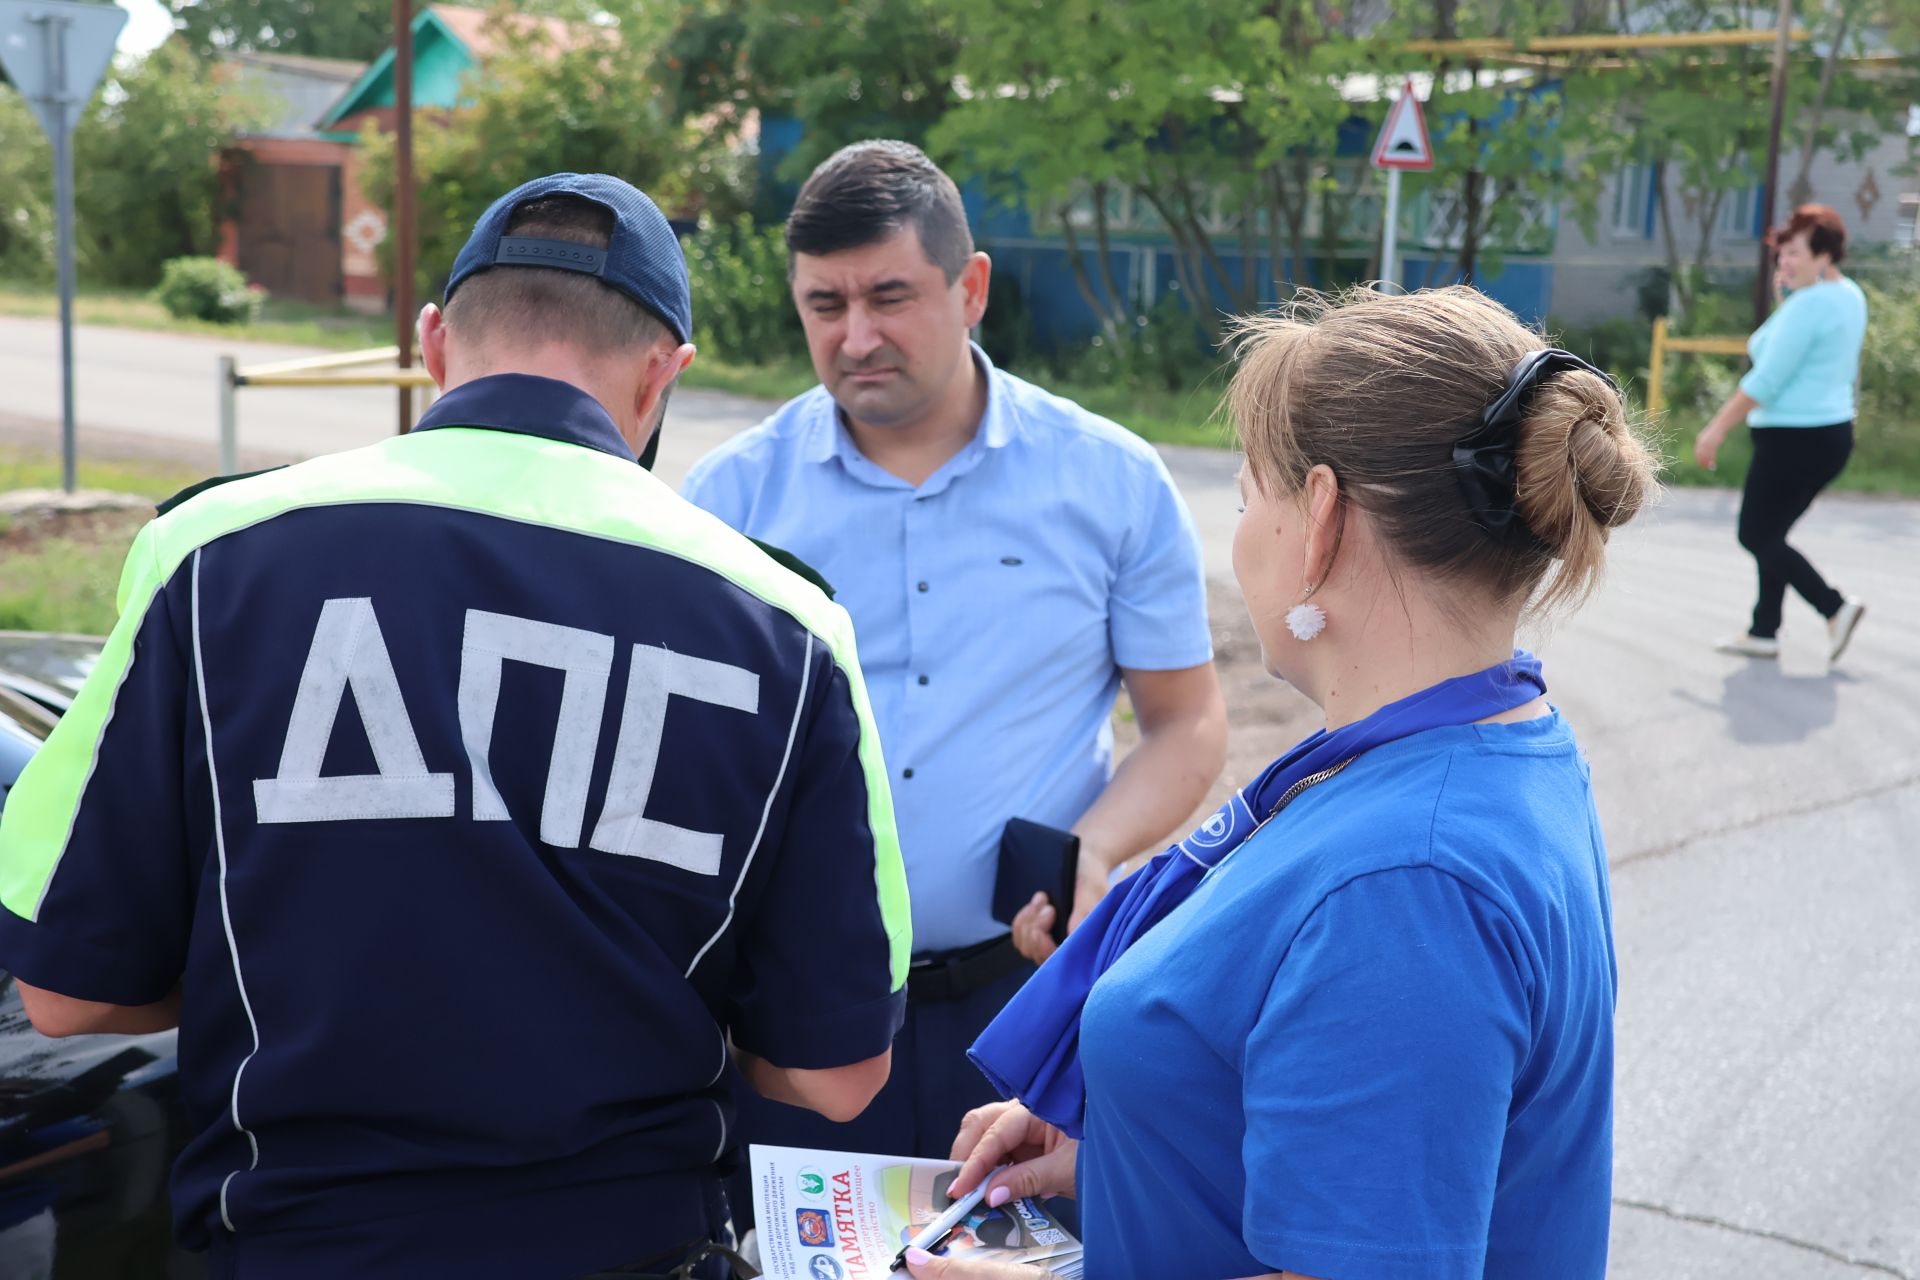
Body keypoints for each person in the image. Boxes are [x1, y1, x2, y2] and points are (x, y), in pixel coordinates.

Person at [0, 173, 911, 1280]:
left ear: (434, 342)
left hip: (305, 1247)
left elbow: (63, 989)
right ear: (661, 375)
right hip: (632, 1246)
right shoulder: (790, 623)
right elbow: (840, 1072)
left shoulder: (212, 551)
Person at [904, 286, 1657, 1280]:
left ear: (1320, 519)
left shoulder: (1406, 882)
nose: (1241, 529)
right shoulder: (1472, 747)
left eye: (1250, 491)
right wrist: (1133, 1154)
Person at [681, 141, 1225, 1197]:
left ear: (970, 287)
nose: (856, 335)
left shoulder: (1111, 481)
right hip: (801, 1015)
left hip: (1025, 997)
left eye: (890, 295)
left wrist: (1091, 849)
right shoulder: (730, 500)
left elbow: (1188, 720)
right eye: (824, 304)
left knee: (1027, 1259)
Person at [1694, 203, 1868, 661]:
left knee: (1756, 535)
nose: (1784, 263)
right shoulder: (1848, 295)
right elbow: (1808, 352)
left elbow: (1767, 381)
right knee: (1772, 536)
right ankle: (1764, 630)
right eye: (1781, 254)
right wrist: (1786, 301)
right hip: (1829, 436)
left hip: (1794, 438)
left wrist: (1715, 430)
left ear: (1824, 255)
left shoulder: (1808, 306)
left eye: (1794, 253)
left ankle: (1834, 607)